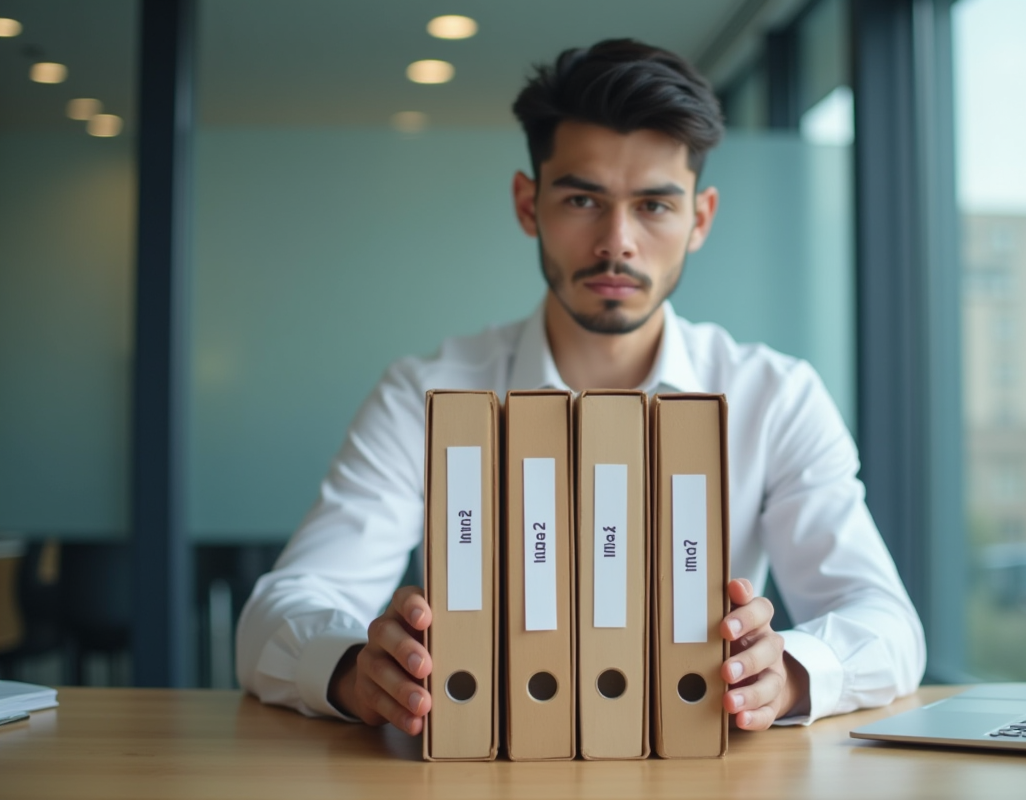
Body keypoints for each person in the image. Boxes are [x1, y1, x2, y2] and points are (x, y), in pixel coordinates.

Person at [236, 39, 925, 736]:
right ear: (528, 205)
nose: (617, 241)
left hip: (699, 762)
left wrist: (790, 672)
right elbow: (280, 611)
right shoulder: (427, 394)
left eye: (654, 205)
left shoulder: (773, 397)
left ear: (700, 219)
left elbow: (888, 624)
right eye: (582, 199)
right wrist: (354, 670)